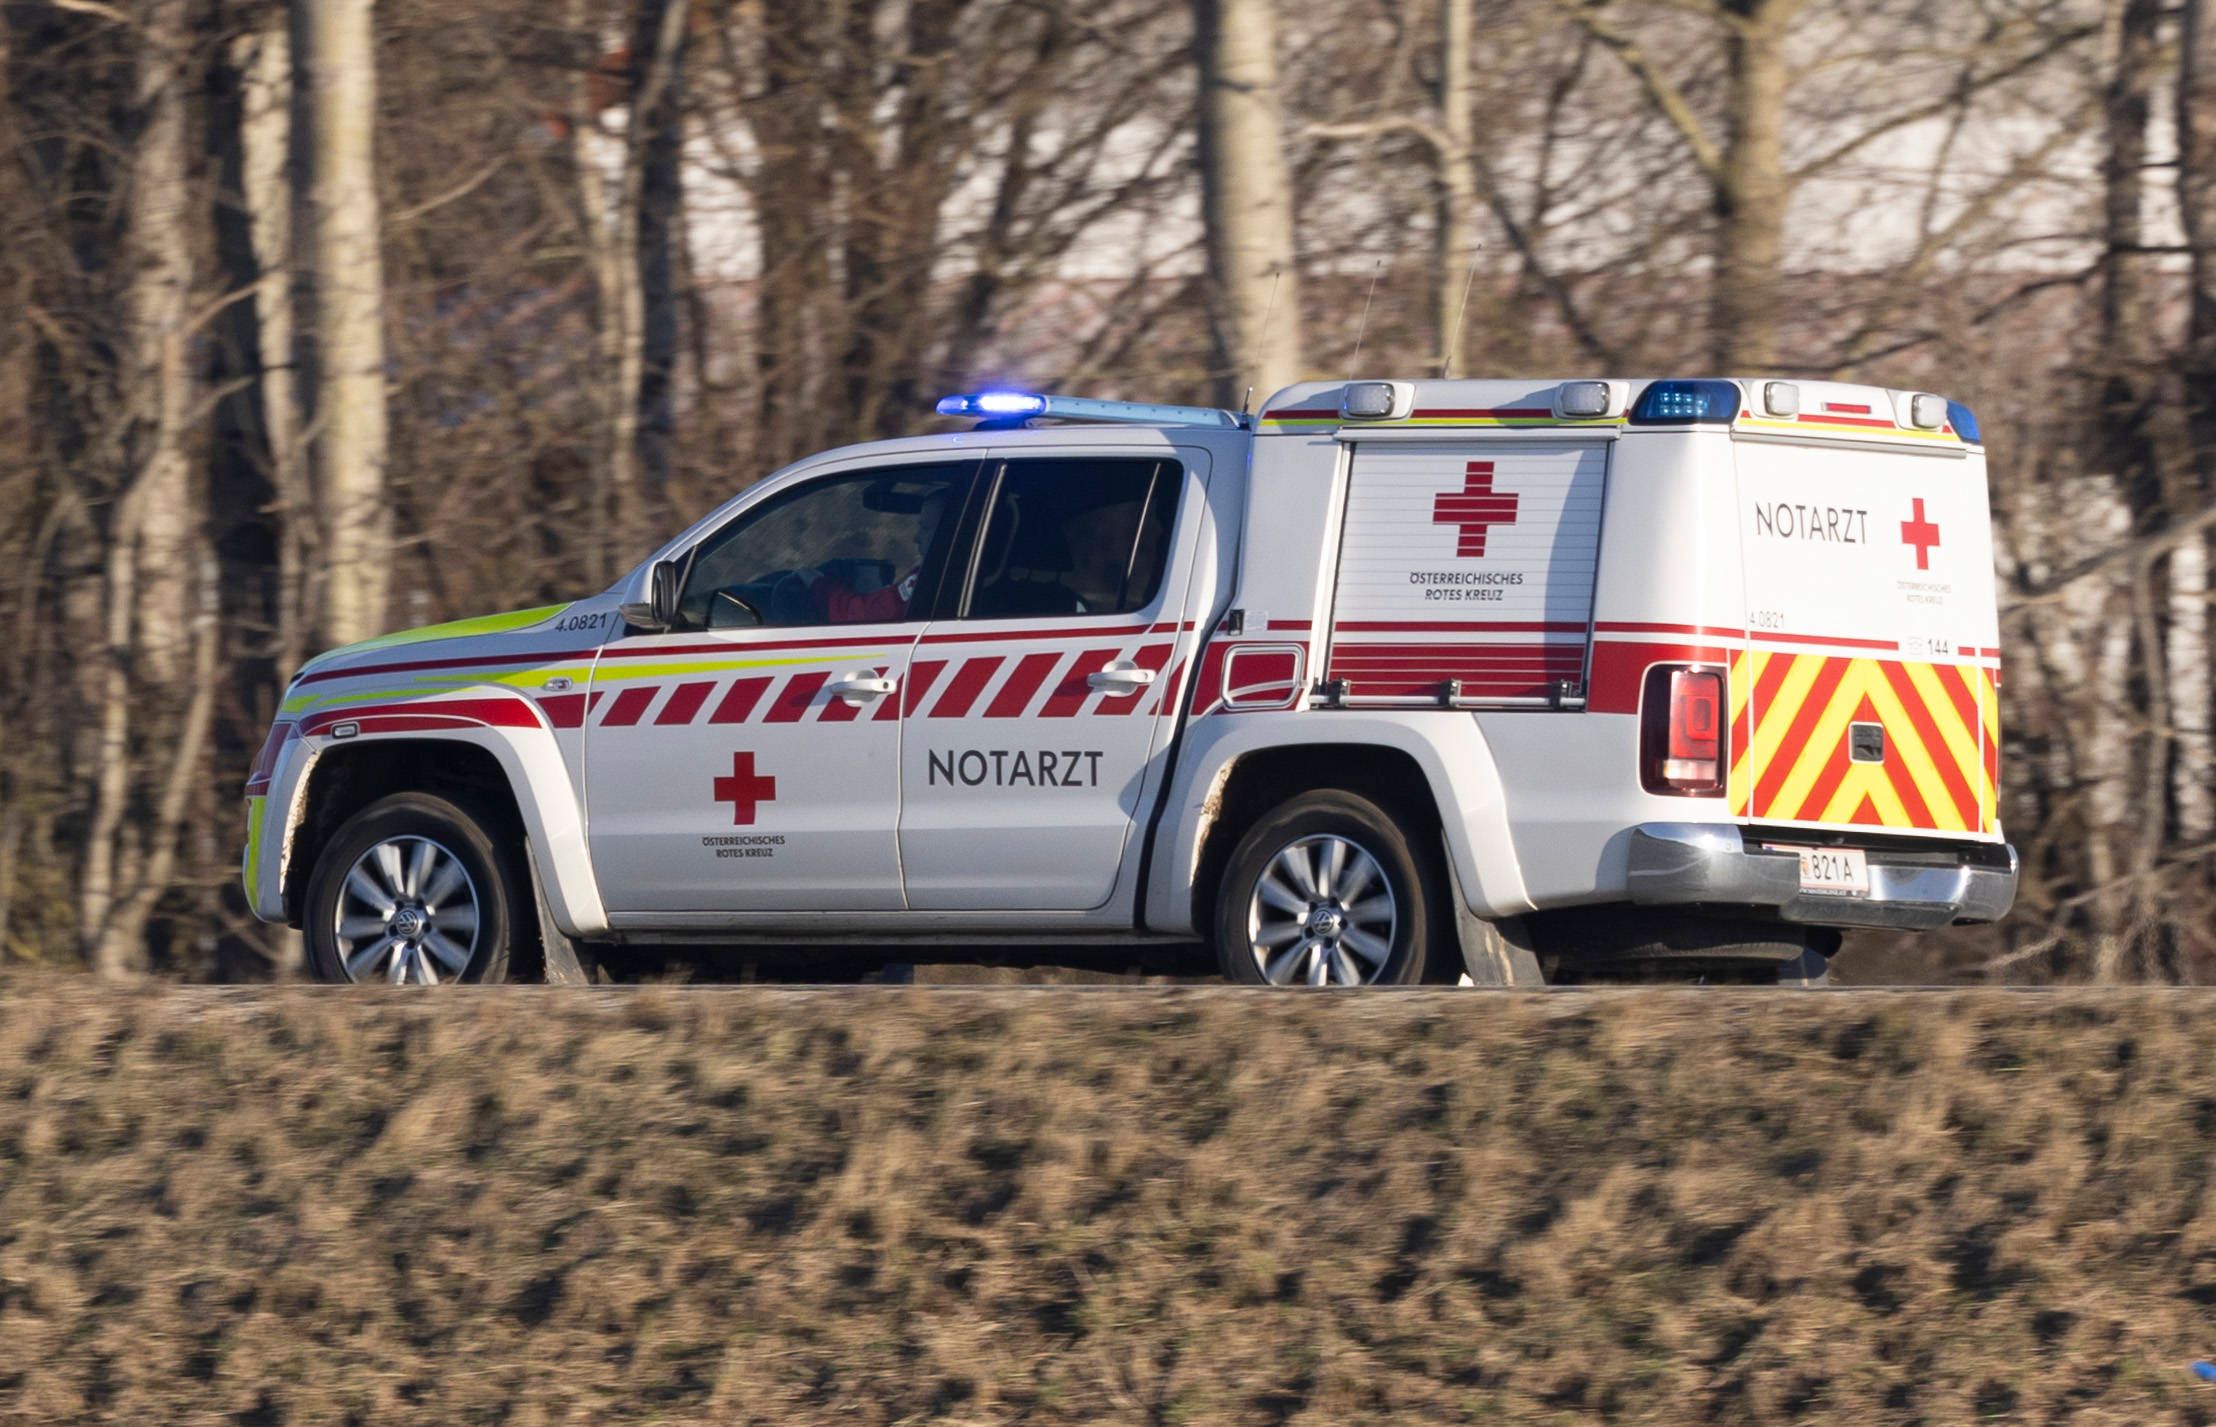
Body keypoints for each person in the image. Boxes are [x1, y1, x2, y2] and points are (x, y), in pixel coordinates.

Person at [799, 488, 947, 624]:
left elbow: (867, 615)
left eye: (926, 528)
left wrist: (818, 584)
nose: (916, 537)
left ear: (948, 532)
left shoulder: (935, 575)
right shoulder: (953, 572)